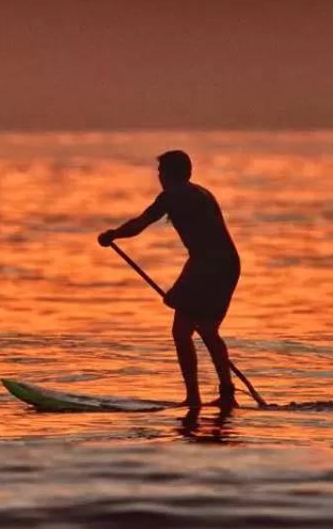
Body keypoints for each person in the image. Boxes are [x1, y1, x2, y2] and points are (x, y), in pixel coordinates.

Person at [97, 150, 241, 409]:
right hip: (228, 264)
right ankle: (227, 394)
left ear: (171, 174)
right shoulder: (202, 192)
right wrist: (180, 292)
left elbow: (139, 224)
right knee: (208, 330)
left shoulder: (173, 195)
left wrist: (112, 235)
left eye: (161, 172)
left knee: (181, 331)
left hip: (208, 265)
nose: (159, 177)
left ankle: (194, 399)